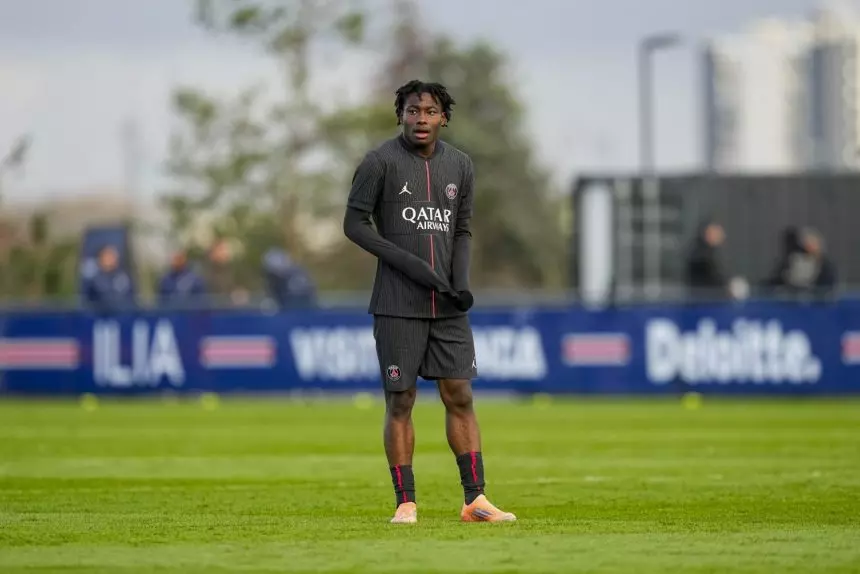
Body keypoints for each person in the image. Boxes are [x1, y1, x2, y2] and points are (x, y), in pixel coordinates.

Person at [343, 80, 516, 524]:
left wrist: (461, 283)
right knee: (401, 401)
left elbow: (462, 229)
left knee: (460, 394)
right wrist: (405, 261)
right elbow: (354, 224)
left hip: (448, 306)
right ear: (401, 115)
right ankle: (406, 503)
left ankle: (475, 501)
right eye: (413, 111)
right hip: (397, 302)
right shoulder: (379, 162)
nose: (421, 119)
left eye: (431, 111)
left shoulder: (461, 165)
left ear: (444, 118)